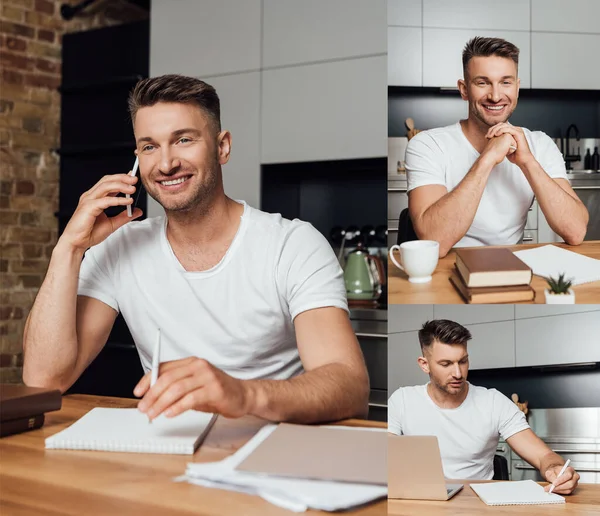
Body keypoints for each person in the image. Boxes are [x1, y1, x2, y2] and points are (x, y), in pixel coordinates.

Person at [23, 74, 370, 424]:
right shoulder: (119, 248)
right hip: (169, 452)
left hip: (273, 449)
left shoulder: (292, 245)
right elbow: (44, 380)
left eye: (183, 140)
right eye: (149, 146)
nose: (166, 163)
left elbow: (349, 386)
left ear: (222, 147)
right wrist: (69, 248)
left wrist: (243, 394)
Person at [406, 37, 588, 257]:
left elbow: (576, 231)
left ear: (517, 88)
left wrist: (528, 162)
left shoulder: (540, 145)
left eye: (505, 82)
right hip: (447, 271)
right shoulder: (427, 145)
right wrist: (487, 158)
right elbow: (435, 241)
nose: (495, 95)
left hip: (511, 269)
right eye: (482, 83)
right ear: (464, 90)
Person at [388, 319, 580, 495]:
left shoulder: (494, 402)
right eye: (446, 364)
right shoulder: (402, 400)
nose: (458, 373)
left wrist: (555, 468)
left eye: (463, 361)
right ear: (424, 365)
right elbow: (383, 458)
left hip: (477, 505)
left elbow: (543, 455)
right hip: (420, 502)